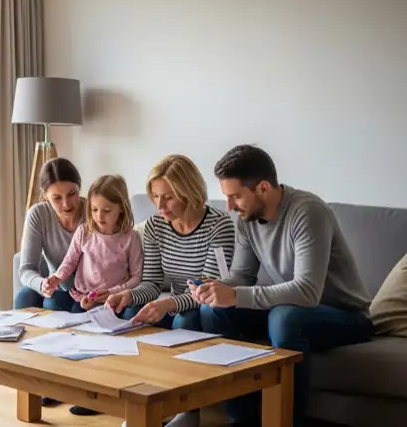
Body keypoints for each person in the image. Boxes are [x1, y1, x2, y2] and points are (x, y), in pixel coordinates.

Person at [192, 144, 374, 427]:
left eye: (235, 196)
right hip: (291, 307)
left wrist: (236, 295)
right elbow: (242, 275)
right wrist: (216, 288)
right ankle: (244, 421)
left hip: (345, 315)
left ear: (263, 188)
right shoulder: (247, 218)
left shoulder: (308, 212)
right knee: (213, 311)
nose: (229, 207)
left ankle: (285, 422)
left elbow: (307, 291)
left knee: (285, 318)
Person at [107, 154, 236, 427]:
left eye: (168, 197)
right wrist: (128, 295)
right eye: (155, 196)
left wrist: (168, 305)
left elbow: (209, 291)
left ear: (189, 192)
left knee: (185, 321)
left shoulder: (219, 225)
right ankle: (143, 406)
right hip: (175, 304)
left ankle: (187, 411)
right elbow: (152, 284)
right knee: (131, 314)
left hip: (204, 304)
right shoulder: (155, 226)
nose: (159, 205)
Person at [48, 174, 143, 314]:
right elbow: (70, 261)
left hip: (117, 300)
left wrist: (112, 292)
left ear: (121, 208)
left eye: (106, 211)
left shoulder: (131, 238)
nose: (99, 216)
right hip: (85, 298)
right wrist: (58, 277)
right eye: (94, 209)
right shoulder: (84, 232)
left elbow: (137, 277)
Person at [14, 158, 86, 312]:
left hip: (89, 289)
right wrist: (43, 284)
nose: (66, 204)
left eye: (72, 194)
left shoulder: (94, 213)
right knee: (24, 297)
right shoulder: (38, 214)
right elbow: (26, 269)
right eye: (57, 198)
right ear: (45, 195)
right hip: (57, 287)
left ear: (79, 187)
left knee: (53, 304)